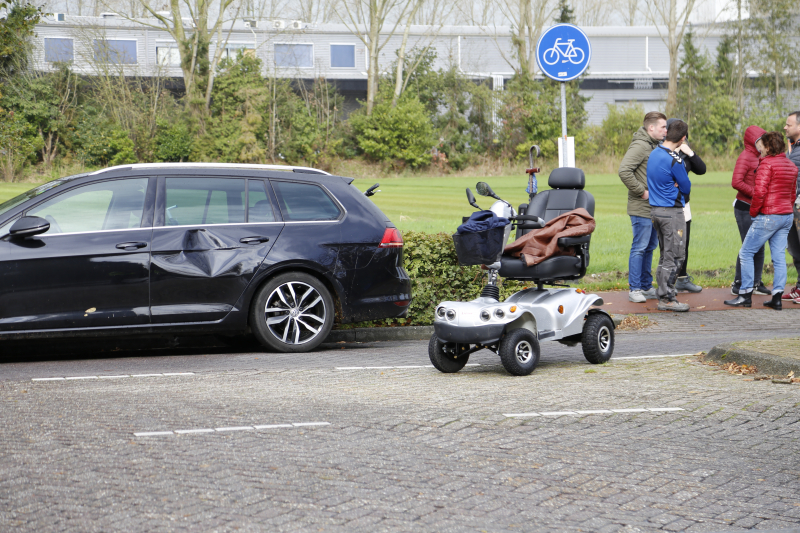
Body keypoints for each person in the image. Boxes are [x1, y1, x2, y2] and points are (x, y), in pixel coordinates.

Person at [725, 131, 799, 309]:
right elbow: (791, 193)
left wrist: (754, 212)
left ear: (767, 147)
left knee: (746, 253)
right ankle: (777, 297)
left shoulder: (766, 165)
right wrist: (786, 209)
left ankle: (745, 294)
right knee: (779, 257)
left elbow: (759, 192)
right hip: (786, 216)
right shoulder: (791, 166)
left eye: (762, 146)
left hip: (768, 216)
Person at [619, 111, 667, 303]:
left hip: (653, 207)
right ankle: (635, 288)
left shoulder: (653, 145)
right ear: (651, 128)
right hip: (641, 207)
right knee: (639, 247)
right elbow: (624, 170)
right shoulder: (640, 145)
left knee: (649, 247)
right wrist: (642, 191)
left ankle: (646, 286)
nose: (666, 130)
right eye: (663, 127)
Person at [647, 120, 692, 312]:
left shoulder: (654, 153)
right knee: (675, 256)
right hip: (672, 212)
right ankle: (667, 297)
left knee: (665, 254)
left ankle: (662, 292)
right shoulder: (675, 160)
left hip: (655, 211)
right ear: (682, 139)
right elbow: (686, 186)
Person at [666, 118, 706, 293]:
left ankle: (682, 278)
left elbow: (701, 169)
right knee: (669, 244)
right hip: (668, 205)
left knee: (684, 243)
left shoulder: (684, 153)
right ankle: (668, 281)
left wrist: (690, 153)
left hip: (684, 204)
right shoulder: (663, 153)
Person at [730, 126, 770, 296]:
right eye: (760, 140)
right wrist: (756, 193)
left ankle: (756, 282)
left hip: (758, 207)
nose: (763, 144)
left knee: (759, 245)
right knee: (748, 246)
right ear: (753, 141)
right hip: (744, 208)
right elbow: (736, 182)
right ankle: (738, 283)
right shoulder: (745, 157)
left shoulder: (762, 157)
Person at [782, 111, 800, 303]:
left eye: (789, 124)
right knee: (795, 250)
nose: (785, 127)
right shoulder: (794, 149)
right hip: (792, 207)